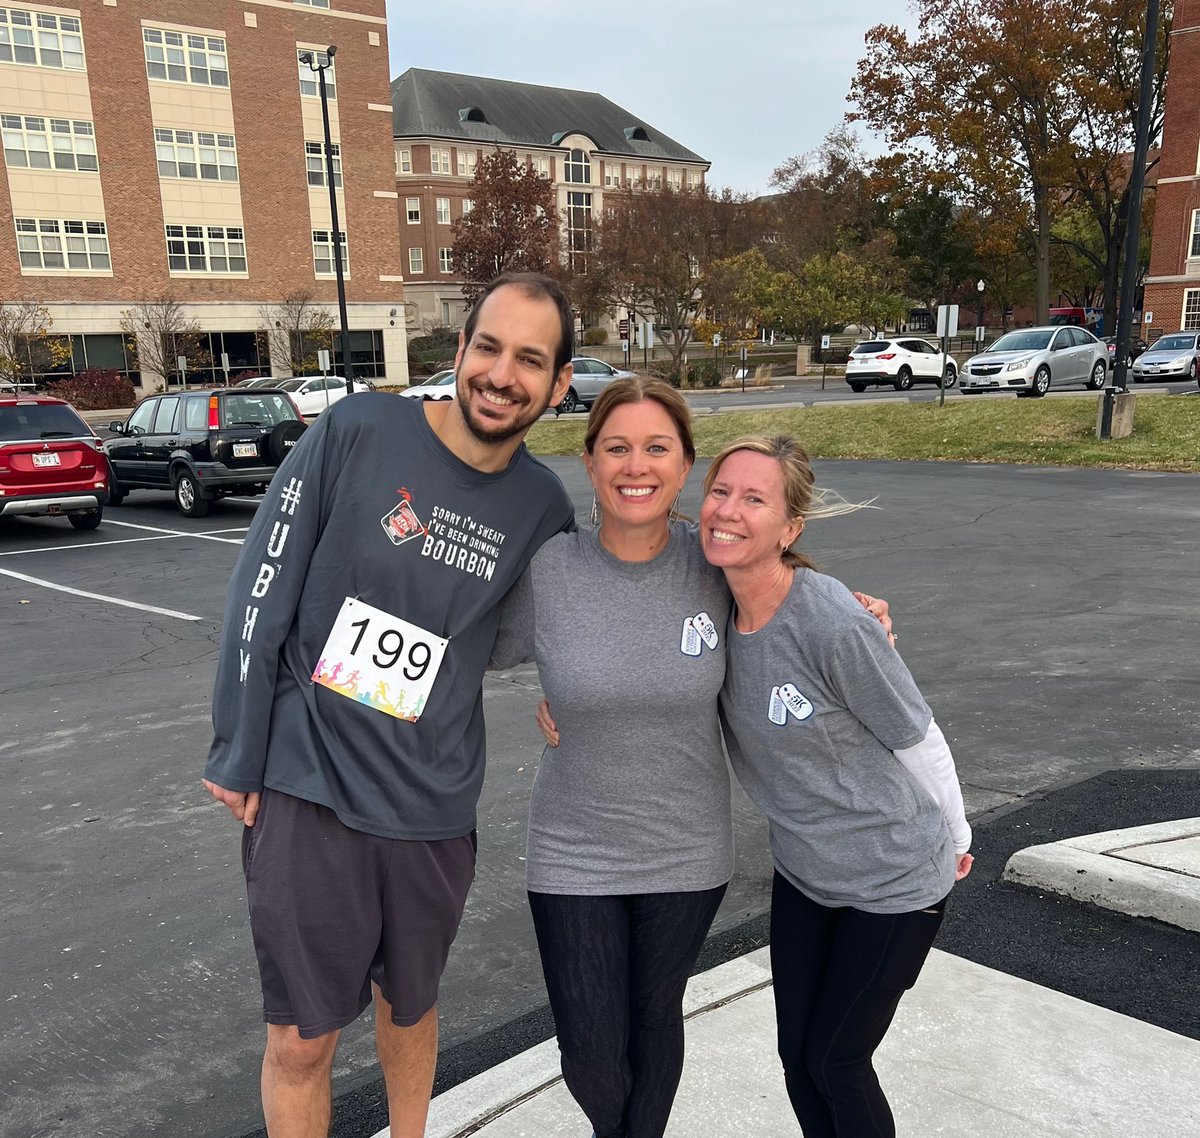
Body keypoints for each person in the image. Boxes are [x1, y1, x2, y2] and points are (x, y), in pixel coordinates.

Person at [201, 272, 576, 1138]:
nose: (500, 373)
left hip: (432, 804)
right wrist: (238, 745)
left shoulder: (541, 507)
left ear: (558, 385)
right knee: (301, 1040)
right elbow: (262, 588)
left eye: (530, 359)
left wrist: (795, 589)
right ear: (460, 351)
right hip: (310, 781)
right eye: (488, 347)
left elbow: (579, 610)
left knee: (409, 1011)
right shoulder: (359, 428)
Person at [495, 380, 893, 1138]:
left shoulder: (712, 564)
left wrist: (859, 611)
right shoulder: (550, 570)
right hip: (573, 845)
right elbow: (459, 648)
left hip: (686, 848)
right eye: (616, 447)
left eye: (656, 448)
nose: (634, 465)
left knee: (655, 1017)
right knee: (593, 1057)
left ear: (684, 469)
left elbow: (794, 606)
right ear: (588, 461)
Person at [699, 434, 973, 1138]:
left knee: (837, 1060)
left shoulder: (830, 620)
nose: (728, 510)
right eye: (720, 491)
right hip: (806, 876)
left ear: (790, 529)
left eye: (754, 499)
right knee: (798, 1058)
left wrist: (957, 837)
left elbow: (918, 737)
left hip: (893, 880)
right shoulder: (707, 602)